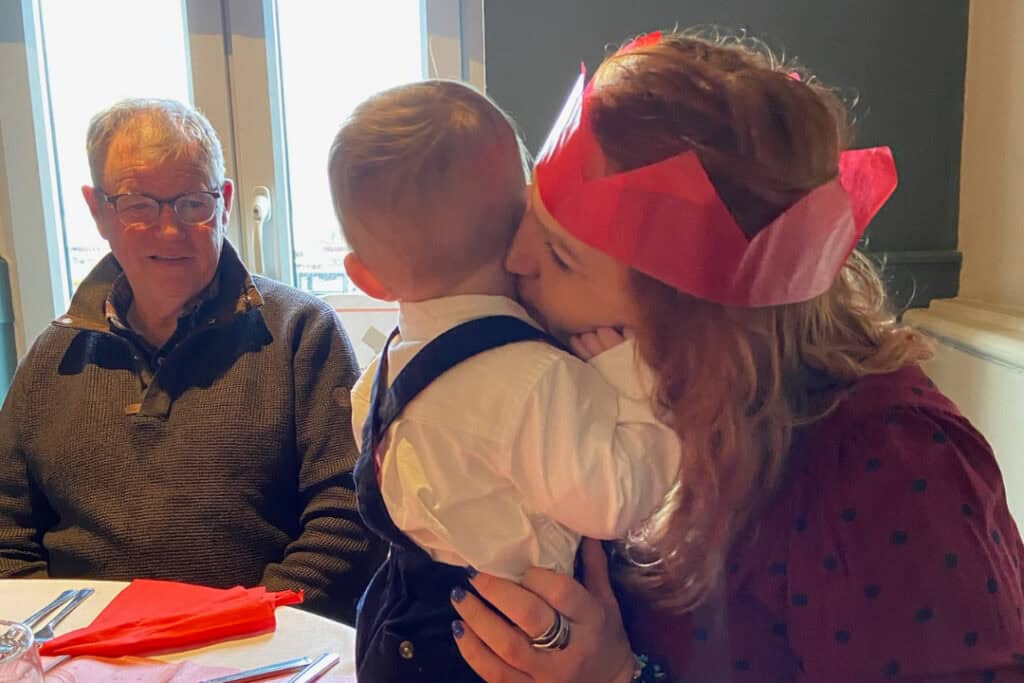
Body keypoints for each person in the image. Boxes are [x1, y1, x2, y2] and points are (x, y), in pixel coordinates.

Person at [448, 31, 1024, 682]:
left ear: (697, 325)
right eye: (530, 217)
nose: (515, 259)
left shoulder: (886, 472)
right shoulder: (588, 391)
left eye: (559, 257)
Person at [326, 80, 681, 681]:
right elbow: (616, 500)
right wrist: (638, 380)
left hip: (392, 627)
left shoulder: (385, 369)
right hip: (501, 647)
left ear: (368, 279)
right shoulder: (533, 379)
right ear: (525, 215)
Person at [0, 98, 384, 624]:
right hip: (80, 655)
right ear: (98, 211)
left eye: (192, 203)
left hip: (259, 651)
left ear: (224, 202)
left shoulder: (302, 333)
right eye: (138, 205)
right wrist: (67, 643)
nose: (169, 230)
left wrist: (236, 628)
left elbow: (348, 520)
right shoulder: (52, 358)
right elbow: (6, 536)